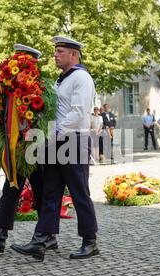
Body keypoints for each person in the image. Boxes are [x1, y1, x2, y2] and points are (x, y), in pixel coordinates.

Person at [11, 36, 99, 261]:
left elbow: (79, 113)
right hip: (56, 141)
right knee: (50, 193)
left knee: (79, 193)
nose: (55, 55)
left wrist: (53, 132)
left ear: (74, 54)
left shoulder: (81, 77)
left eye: (60, 51)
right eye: (55, 51)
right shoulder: (61, 80)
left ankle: (90, 241)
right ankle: (41, 240)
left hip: (73, 140)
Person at [0, 44, 47, 253]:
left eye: (20, 60)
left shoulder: (38, 87)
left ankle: (44, 237)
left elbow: (41, 118)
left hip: (33, 147)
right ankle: (0, 236)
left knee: (39, 191)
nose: (16, 64)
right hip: (16, 148)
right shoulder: (8, 89)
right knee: (12, 188)